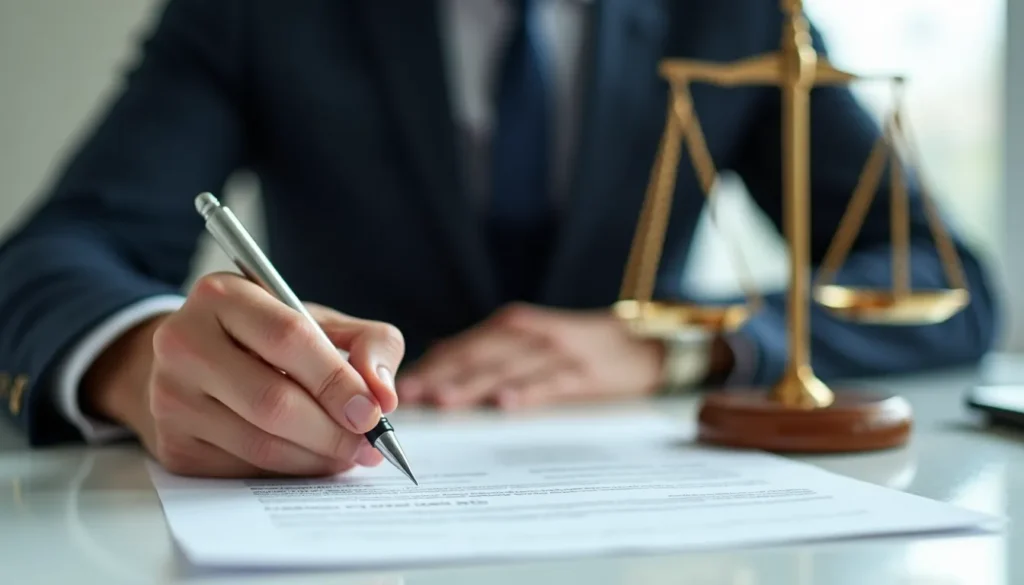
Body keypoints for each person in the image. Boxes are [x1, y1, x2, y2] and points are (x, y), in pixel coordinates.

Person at [0, 0, 999, 477]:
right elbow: (57, 254)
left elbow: (944, 282)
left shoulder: (732, 12)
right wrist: (138, 363)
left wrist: (680, 339)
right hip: (339, 494)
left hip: (639, 521)